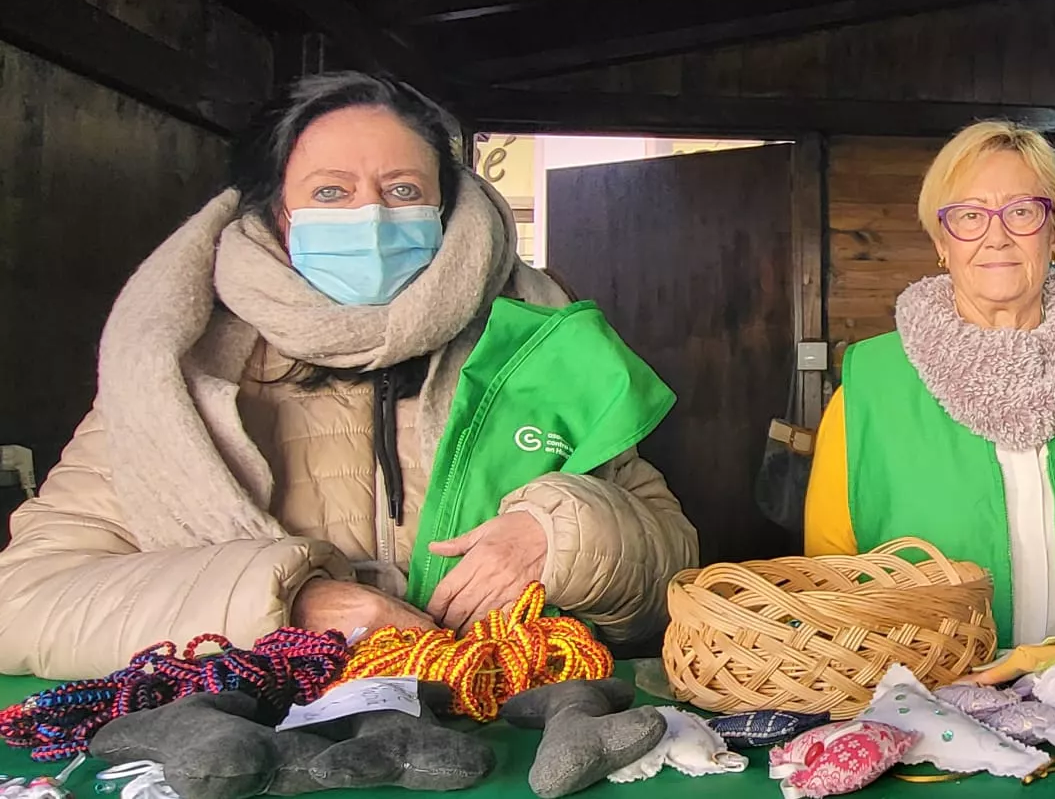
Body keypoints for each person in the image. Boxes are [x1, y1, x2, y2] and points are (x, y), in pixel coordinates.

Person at [0, 73, 698, 679]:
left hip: (506, 721)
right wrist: (288, 604)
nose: (371, 217)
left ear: (448, 205)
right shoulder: (178, 380)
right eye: (331, 191)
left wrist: (561, 535)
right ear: (278, 213)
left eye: (402, 189)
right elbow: (25, 603)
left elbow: (675, 562)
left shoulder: (536, 351)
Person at [803, 121, 1055, 648]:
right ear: (942, 242)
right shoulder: (871, 385)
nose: (995, 235)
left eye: (1021, 212)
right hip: (934, 699)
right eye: (969, 216)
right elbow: (831, 570)